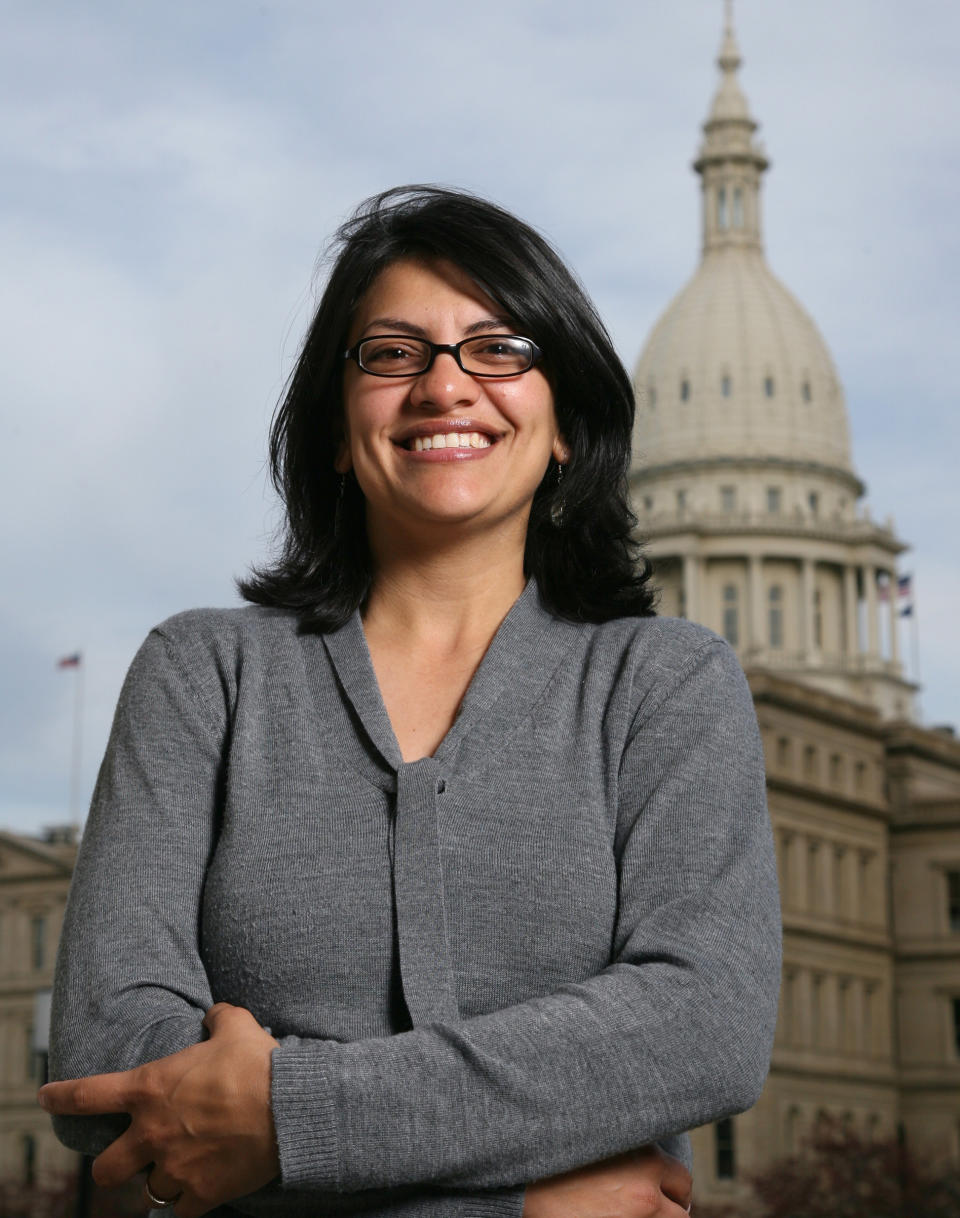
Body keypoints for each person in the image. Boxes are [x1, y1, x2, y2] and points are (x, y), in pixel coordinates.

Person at [41, 186, 781, 1218]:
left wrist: (282, 1121)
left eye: (499, 348)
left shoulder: (668, 684)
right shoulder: (201, 673)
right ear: (337, 431)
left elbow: (705, 1026)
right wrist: (518, 1206)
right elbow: (106, 1066)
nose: (445, 386)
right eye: (392, 355)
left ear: (565, 420)